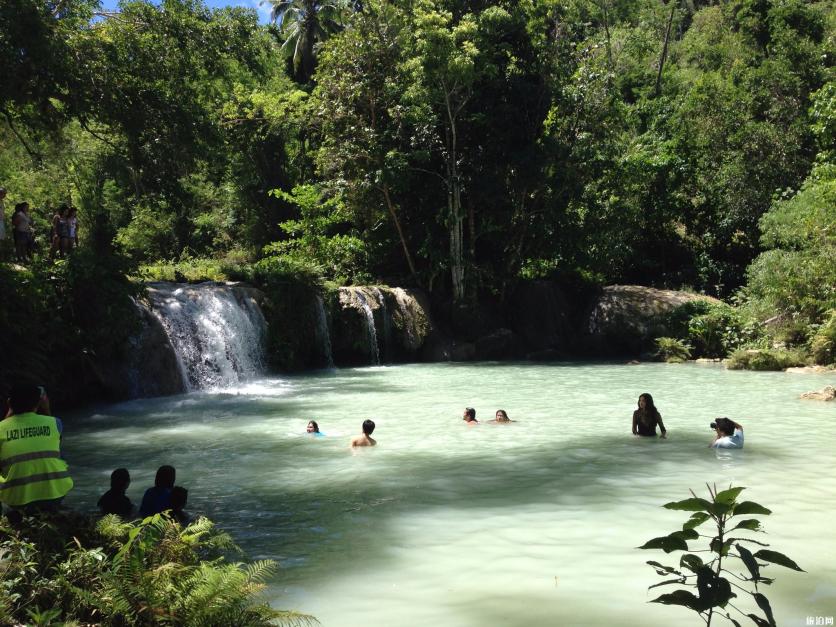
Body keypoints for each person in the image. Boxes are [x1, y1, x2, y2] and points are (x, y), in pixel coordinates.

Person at [0, 384, 73, 513]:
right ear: (39, 402)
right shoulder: (55, 423)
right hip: (55, 495)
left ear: (9, 403)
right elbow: (55, 439)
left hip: (15, 499)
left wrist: (10, 411)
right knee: (57, 453)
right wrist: (46, 408)